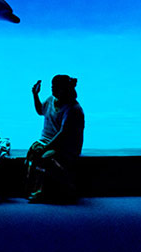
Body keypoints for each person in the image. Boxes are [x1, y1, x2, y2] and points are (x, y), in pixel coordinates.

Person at [26, 75, 85, 203]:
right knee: (32, 153)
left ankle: (65, 187)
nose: (53, 90)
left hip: (65, 146)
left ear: (66, 89)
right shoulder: (51, 100)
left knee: (46, 158)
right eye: (52, 87)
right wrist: (35, 95)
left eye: (57, 88)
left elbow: (63, 134)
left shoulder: (73, 109)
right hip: (47, 140)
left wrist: (45, 148)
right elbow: (40, 111)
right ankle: (32, 187)